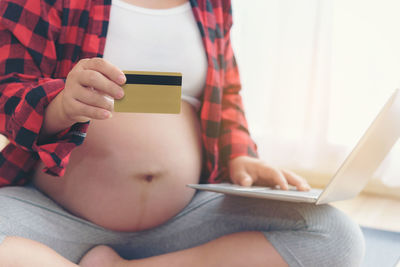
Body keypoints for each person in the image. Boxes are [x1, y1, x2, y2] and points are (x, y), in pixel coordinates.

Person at [0, 0, 365, 266]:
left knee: (334, 234)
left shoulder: (212, 4)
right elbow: (8, 90)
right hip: (59, 216)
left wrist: (241, 155)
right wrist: (61, 104)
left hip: (182, 220)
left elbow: (226, 92)